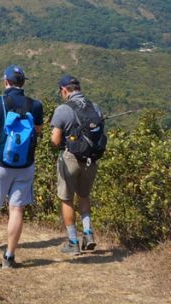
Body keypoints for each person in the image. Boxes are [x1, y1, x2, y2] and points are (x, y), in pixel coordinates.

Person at [0, 65, 43, 270]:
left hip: (0, 164)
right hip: (25, 164)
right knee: (17, 209)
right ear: (23, 83)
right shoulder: (36, 105)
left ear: (6, 82)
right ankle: (9, 257)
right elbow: (37, 132)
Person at [50, 74, 106, 254]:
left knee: (66, 198)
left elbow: (56, 140)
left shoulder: (63, 109)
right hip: (91, 160)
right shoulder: (95, 107)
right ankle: (88, 234)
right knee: (84, 196)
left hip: (71, 159)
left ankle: (73, 241)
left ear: (64, 90)